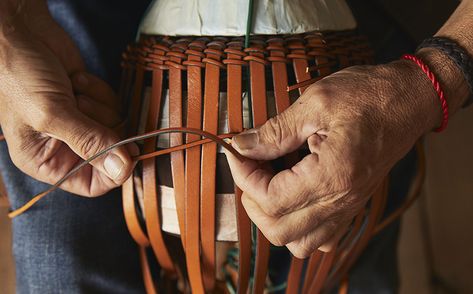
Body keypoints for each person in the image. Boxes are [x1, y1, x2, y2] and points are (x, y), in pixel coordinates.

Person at [0, 0, 471, 293]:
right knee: (61, 264)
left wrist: (433, 80)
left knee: (343, 253)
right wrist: (10, 28)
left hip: (354, 19)